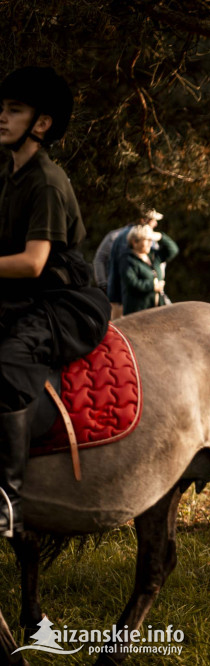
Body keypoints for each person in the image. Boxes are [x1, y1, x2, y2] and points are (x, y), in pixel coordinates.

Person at [0, 67, 110, 537]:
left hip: (62, 301)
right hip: (23, 294)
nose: (1, 117)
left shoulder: (45, 180)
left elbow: (31, 262)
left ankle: (6, 497)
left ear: (41, 124)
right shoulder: (9, 172)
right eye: (1, 108)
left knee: (9, 358)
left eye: (14, 110)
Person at [101, 206, 163, 318]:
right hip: (128, 301)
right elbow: (130, 277)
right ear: (144, 220)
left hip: (117, 298)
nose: (155, 224)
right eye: (153, 221)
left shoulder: (121, 235)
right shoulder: (135, 237)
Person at [120, 224, 178, 315]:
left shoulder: (153, 256)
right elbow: (132, 283)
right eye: (147, 240)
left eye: (151, 240)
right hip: (137, 311)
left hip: (157, 308)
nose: (150, 243)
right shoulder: (127, 260)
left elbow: (173, 250)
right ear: (135, 242)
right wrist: (153, 286)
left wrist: (161, 236)